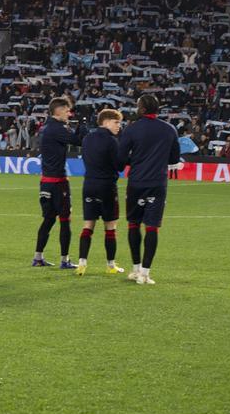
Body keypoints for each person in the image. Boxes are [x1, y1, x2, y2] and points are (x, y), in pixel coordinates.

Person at [118, 94, 182, 285]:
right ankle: (145, 273)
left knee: (133, 224)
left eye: (138, 106)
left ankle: (135, 268)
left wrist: (136, 160)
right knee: (152, 226)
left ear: (143, 109)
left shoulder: (131, 129)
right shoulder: (169, 129)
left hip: (136, 183)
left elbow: (121, 159)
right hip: (158, 184)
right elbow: (174, 159)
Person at [33, 96, 86, 269]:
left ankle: (38, 257)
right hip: (58, 182)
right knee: (65, 220)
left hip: (45, 181)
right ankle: (65, 260)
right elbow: (79, 141)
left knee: (48, 219)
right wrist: (82, 127)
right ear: (58, 110)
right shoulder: (57, 128)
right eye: (67, 111)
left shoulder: (45, 128)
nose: (69, 114)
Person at [77, 108, 126, 275]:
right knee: (110, 226)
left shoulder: (87, 139)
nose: (119, 126)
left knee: (88, 225)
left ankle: (82, 263)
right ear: (106, 122)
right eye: (116, 122)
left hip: (89, 185)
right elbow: (119, 166)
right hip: (107, 186)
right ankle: (111, 265)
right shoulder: (112, 141)